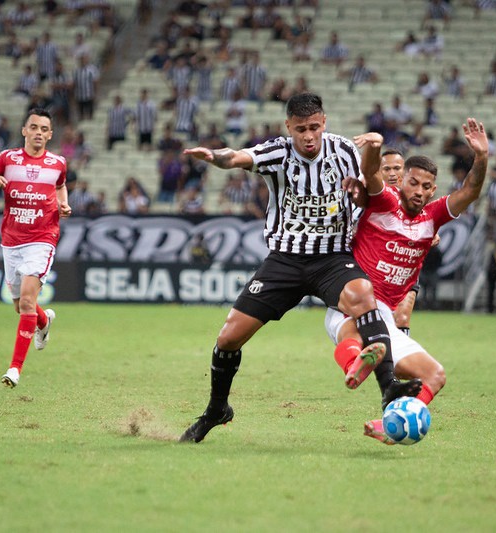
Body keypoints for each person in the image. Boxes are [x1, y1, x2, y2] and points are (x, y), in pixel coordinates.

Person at [178, 93, 420, 444]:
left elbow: (373, 187)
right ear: (288, 127)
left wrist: (368, 176)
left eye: (314, 128)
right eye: (301, 129)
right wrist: (214, 157)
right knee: (228, 337)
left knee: (362, 295)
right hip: (285, 261)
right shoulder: (277, 152)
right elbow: (238, 157)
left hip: (332, 258)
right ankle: (217, 409)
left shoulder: (344, 152)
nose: (309, 136)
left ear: (324, 123)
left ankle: (388, 389)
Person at [326, 117, 489, 444]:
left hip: (386, 316)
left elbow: (470, 190)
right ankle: (355, 365)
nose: (419, 191)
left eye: (427, 186)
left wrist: (481, 157)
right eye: (413, 182)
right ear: (402, 181)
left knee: (435, 375)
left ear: (433, 189)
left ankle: (394, 423)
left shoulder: (434, 216)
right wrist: (373, 147)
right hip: (355, 298)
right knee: (354, 331)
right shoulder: (384, 200)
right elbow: (371, 174)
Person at [0, 108, 71, 387]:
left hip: (43, 237)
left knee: (26, 301)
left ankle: (14, 369)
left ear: (50, 135)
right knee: (20, 306)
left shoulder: (58, 163)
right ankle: (44, 321)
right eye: (34, 127)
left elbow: (61, 186)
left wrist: (64, 203)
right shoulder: (7, 158)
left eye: (44, 129)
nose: (39, 132)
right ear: (24, 130)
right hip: (11, 240)